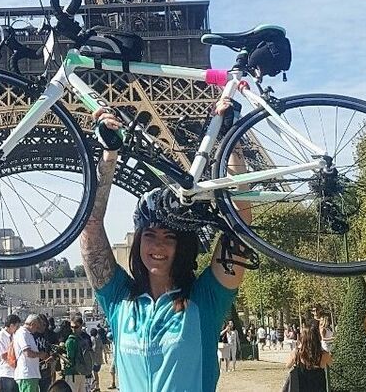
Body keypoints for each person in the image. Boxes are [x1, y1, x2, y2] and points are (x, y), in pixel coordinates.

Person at [81, 105, 248, 392]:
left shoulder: (206, 298)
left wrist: (232, 139)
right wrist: (109, 155)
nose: (158, 244)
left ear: (182, 246)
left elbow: (241, 224)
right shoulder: (119, 299)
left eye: (169, 236)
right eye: (150, 235)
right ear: (138, 241)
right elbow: (90, 223)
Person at [285, 323, 332, 392]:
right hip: (318, 384)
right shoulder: (323, 354)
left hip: (301, 384)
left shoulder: (297, 353)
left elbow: (288, 365)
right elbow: (330, 363)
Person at [13, 315, 52, 392]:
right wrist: (40, 354)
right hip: (27, 374)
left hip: (32, 374)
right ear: (32, 324)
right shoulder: (22, 333)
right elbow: (27, 353)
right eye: (37, 327)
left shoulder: (28, 334)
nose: (36, 330)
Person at [62, 318, 91, 392]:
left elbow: (70, 358)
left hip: (72, 373)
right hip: (83, 371)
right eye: (72, 327)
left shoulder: (71, 340)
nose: (73, 329)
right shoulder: (86, 338)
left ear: (81, 326)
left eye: (76, 327)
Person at [0, 315, 20, 392]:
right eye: (17, 326)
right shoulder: (0, 337)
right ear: (11, 325)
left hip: (15, 373)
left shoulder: (15, 336)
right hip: (5, 372)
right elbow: (4, 355)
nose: (18, 329)